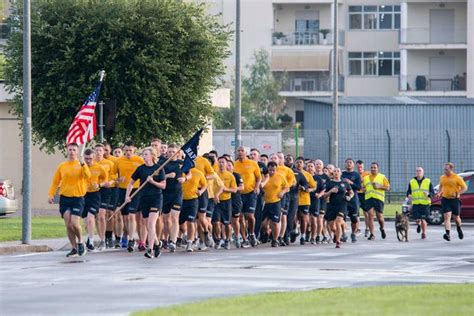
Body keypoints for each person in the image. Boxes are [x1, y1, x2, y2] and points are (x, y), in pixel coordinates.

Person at [48, 143, 91, 257]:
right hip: (65, 197)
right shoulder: (62, 166)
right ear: (67, 151)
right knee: (68, 223)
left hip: (78, 198)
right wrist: (51, 194)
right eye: (70, 149)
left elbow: (87, 176)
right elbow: (55, 181)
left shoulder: (81, 165)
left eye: (74, 150)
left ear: (77, 152)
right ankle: (74, 248)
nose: (71, 152)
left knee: (75, 223)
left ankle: (81, 242)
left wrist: (83, 165)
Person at [126, 147, 166, 258]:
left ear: (152, 155)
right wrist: (127, 196)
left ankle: (150, 249)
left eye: (146, 154)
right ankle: (157, 244)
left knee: (151, 224)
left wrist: (152, 181)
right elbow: (130, 183)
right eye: (143, 154)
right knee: (148, 226)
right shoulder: (140, 169)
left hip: (156, 198)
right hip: (144, 198)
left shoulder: (158, 168)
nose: (144, 156)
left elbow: (163, 185)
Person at [113, 141, 144, 252]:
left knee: (132, 216)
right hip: (122, 190)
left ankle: (132, 240)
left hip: (136, 190)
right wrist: (117, 179)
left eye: (130, 150)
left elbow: (144, 173)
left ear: (134, 150)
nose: (128, 152)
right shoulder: (119, 161)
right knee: (125, 217)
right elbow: (113, 174)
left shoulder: (139, 160)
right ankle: (127, 237)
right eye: (126, 150)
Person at [162, 144, 189, 252]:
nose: (171, 153)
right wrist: (168, 176)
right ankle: (169, 238)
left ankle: (173, 241)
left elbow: (189, 174)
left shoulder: (181, 164)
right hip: (165, 194)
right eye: (169, 152)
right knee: (166, 220)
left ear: (177, 153)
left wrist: (184, 179)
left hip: (177, 193)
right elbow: (156, 175)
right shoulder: (162, 164)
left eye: (173, 151)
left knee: (174, 217)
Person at [234, 146, 262, 247]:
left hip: (251, 193)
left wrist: (257, 187)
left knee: (250, 216)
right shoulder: (234, 164)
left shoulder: (253, 163)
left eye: (242, 151)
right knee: (240, 217)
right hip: (239, 194)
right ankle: (244, 239)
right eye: (238, 151)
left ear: (246, 153)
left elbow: (259, 177)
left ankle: (251, 234)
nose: (240, 152)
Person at [82, 149, 108, 251]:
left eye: (90, 159)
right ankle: (89, 237)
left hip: (95, 194)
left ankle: (91, 242)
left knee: (90, 217)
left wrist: (99, 184)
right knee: (86, 222)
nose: (88, 161)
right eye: (86, 159)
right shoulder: (81, 167)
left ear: (93, 157)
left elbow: (105, 179)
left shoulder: (99, 167)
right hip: (83, 195)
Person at [261, 161, 289, 247]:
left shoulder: (280, 176)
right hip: (265, 202)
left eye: (273, 170)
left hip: (276, 202)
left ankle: (275, 240)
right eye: (270, 170)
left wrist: (282, 192)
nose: (271, 172)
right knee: (263, 223)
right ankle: (267, 232)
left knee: (275, 222)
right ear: (267, 169)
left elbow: (287, 187)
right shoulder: (264, 176)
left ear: (276, 169)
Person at [212, 156, 237, 250]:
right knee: (216, 222)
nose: (221, 164)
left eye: (223, 162)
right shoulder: (214, 174)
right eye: (220, 162)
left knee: (227, 223)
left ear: (227, 164)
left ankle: (227, 240)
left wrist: (226, 189)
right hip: (216, 201)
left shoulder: (230, 175)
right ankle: (218, 239)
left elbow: (234, 190)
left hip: (226, 201)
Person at [324, 168, 354, 248]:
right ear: (332, 173)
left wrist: (350, 197)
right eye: (335, 171)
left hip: (342, 204)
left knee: (338, 222)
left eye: (338, 171)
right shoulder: (329, 183)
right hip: (331, 205)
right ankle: (339, 235)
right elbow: (324, 196)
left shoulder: (344, 182)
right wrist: (331, 191)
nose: (336, 172)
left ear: (341, 173)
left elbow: (351, 192)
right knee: (332, 226)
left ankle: (338, 241)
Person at [437, 163, 467, 241]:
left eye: (446, 169)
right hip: (445, 199)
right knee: (447, 217)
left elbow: (464, 188)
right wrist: (439, 193)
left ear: (451, 169)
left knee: (456, 217)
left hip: (455, 200)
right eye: (444, 169)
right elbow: (441, 186)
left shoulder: (457, 177)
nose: (445, 171)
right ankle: (447, 234)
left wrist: (458, 193)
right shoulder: (442, 177)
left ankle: (459, 229)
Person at [181, 167, 208, 252]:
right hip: (181, 200)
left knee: (191, 221)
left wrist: (201, 191)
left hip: (193, 200)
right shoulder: (180, 171)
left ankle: (190, 242)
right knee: (180, 223)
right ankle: (185, 235)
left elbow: (205, 184)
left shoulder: (198, 172)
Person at [93, 144, 115, 250]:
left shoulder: (109, 163)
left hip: (105, 190)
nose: (98, 152)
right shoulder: (91, 163)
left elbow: (113, 177)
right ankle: (101, 237)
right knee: (97, 216)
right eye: (96, 150)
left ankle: (104, 240)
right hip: (93, 191)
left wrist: (109, 182)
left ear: (103, 152)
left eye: (100, 150)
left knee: (102, 215)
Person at [362, 162, 390, 240]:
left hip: (378, 199)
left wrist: (379, 186)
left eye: (374, 167)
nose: (373, 169)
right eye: (372, 167)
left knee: (379, 217)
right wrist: (363, 189)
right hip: (369, 199)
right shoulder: (366, 178)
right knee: (370, 216)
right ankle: (372, 234)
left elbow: (388, 188)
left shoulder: (382, 177)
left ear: (378, 168)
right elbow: (363, 188)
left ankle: (382, 228)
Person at [406, 167, 435, 240]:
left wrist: (428, 194)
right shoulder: (412, 181)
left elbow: (432, 193)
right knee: (417, 219)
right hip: (415, 204)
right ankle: (418, 225)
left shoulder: (428, 181)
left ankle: (423, 233)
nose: (418, 172)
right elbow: (408, 191)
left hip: (425, 204)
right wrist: (408, 195)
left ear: (423, 172)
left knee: (423, 219)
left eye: (420, 171)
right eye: (417, 171)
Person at [295, 157, 316, 245]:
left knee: (304, 218)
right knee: (293, 218)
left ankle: (303, 236)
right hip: (294, 199)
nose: (299, 164)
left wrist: (308, 190)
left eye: (300, 162)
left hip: (304, 200)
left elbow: (314, 186)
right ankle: (294, 230)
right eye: (297, 162)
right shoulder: (292, 172)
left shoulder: (308, 175)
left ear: (303, 164)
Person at [249, 148, 269, 238]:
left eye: (254, 154)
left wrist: (263, 183)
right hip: (247, 193)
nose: (252, 156)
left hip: (258, 192)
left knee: (257, 214)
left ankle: (255, 235)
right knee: (246, 215)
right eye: (251, 154)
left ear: (258, 156)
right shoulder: (246, 164)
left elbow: (267, 176)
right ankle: (246, 234)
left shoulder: (261, 165)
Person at [342, 158, 362, 243]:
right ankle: (343, 234)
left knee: (354, 218)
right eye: (347, 163)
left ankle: (353, 233)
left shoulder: (356, 175)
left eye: (350, 163)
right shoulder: (342, 174)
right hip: (343, 199)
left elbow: (358, 187)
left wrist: (350, 182)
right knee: (342, 217)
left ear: (353, 165)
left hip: (353, 199)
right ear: (345, 164)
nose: (349, 164)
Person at [227, 160, 245, 248]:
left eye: (229, 165)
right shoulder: (220, 175)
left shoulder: (236, 175)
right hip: (225, 200)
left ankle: (237, 236)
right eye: (227, 165)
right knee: (226, 221)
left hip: (235, 200)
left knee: (235, 220)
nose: (227, 167)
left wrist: (232, 189)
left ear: (233, 167)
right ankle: (227, 239)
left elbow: (242, 187)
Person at [314, 159, 329, 244]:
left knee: (321, 218)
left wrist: (325, 194)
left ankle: (320, 236)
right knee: (313, 219)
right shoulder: (312, 176)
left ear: (322, 166)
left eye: (320, 164)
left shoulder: (326, 177)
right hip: (313, 200)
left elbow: (328, 188)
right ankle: (312, 235)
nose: (318, 166)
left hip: (322, 200)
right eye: (317, 164)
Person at [356, 160, 370, 237]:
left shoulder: (367, 174)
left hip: (365, 195)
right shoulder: (355, 174)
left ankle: (367, 229)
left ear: (363, 167)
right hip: (357, 195)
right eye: (358, 167)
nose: (359, 168)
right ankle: (357, 229)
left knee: (366, 213)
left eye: (361, 167)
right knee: (356, 213)